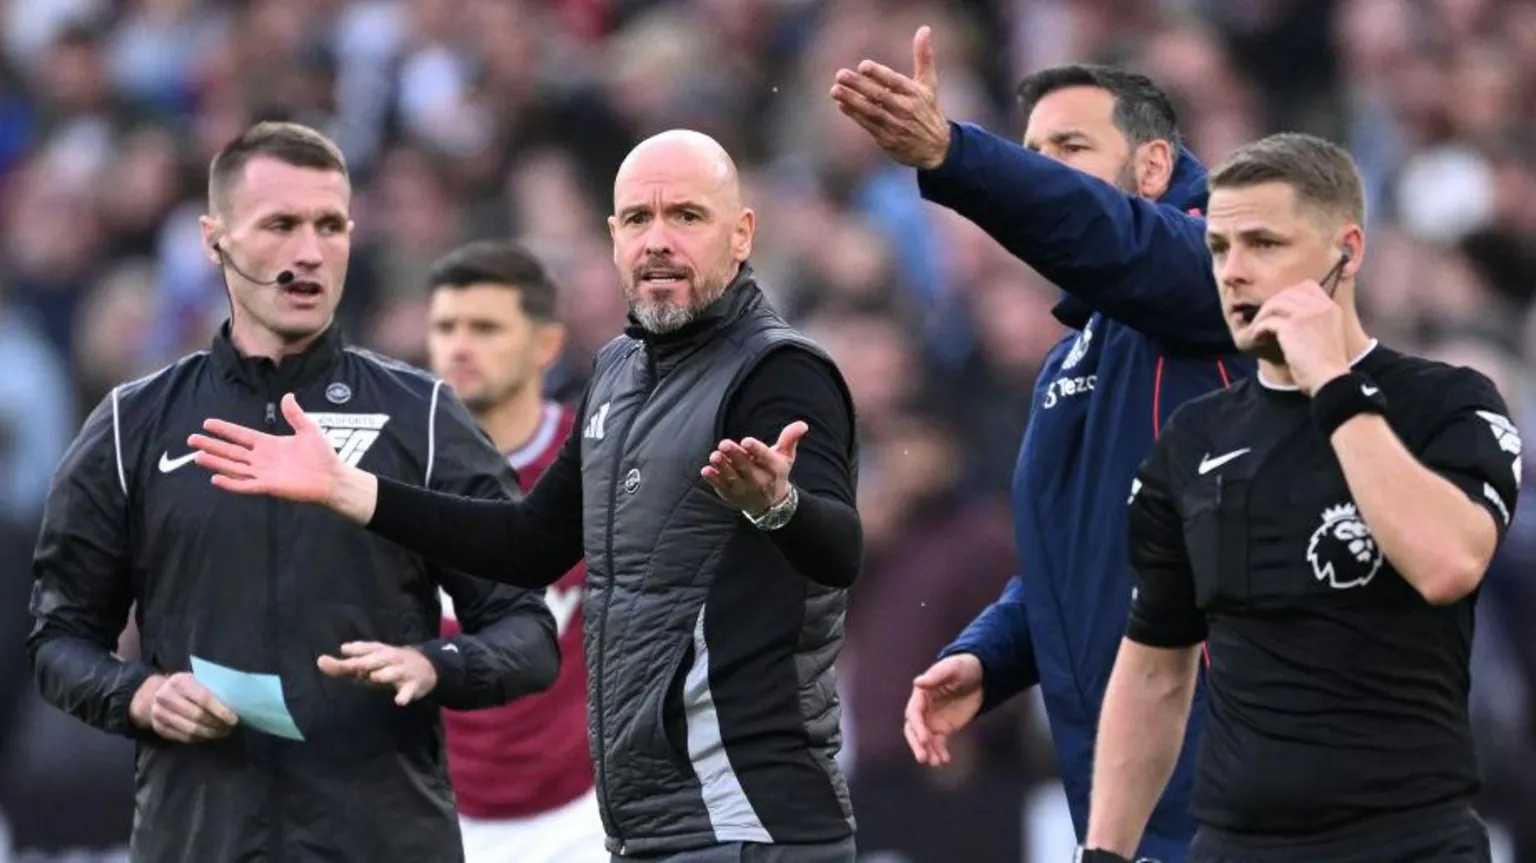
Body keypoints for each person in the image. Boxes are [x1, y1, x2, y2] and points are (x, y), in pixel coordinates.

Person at [188, 128, 864, 863]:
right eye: (638, 219)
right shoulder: (618, 374)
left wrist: (778, 504)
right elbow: (529, 544)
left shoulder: (778, 371)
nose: (659, 241)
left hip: (750, 819)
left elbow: (839, 548)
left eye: (687, 217)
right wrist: (352, 489)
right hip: (655, 826)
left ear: (742, 235)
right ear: (611, 239)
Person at [26, 121, 562, 863]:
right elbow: (58, 638)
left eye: (331, 225)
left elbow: (529, 633)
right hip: (200, 840)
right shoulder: (132, 425)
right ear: (217, 240)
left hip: (383, 841)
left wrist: (435, 664)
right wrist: (138, 695)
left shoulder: (425, 419)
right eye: (281, 224)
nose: (310, 251)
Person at [830, 28, 1250, 859]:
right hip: (1119, 789)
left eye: (1071, 146)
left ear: (1156, 167)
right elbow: (1079, 556)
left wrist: (960, 156)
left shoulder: (1224, 274)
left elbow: (1114, 239)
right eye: (1033, 150)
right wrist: (990, 654)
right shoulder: (1073, 354)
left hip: (1236, 776)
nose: (1044, 168)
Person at [1081, 132, 1519, 863]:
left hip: (1407, 841)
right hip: (1234, 846)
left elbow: (1448, 562)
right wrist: (1103, 853)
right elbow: (1156, 666)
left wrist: (1335, 389)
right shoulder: (1193, 441)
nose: (1234, 272)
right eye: (1219, 248)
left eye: (1264, 244)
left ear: (1347, 251)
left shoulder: (1445, 404)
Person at [424, 240, 606, 862]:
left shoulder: (601, 463)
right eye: (446, 327)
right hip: (435, 814)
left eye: (486, 327)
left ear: (546, 345)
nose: (460, 347)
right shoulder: (390, 474)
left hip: (588, 817)